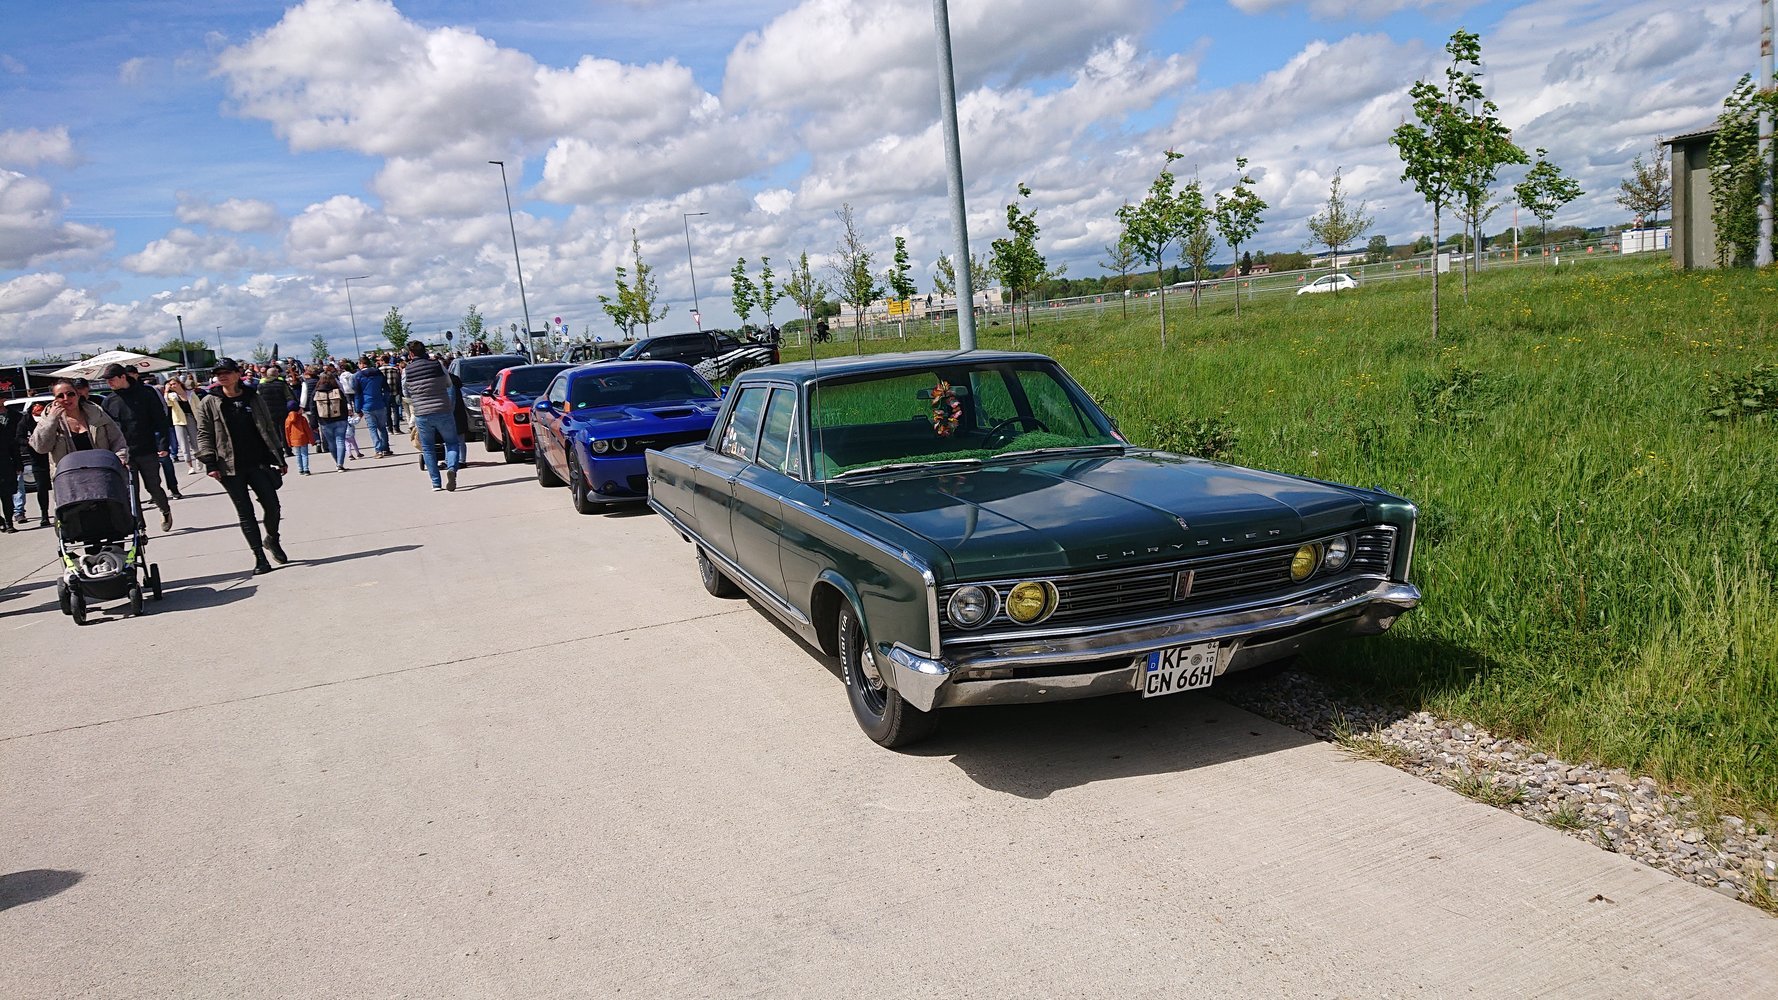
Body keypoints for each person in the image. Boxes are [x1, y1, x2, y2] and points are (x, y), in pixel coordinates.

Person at [193, 358, 288, 575]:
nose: (222, 376)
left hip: (258, 461)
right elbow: (204, 433)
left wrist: (279, 456)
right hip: (228, 466)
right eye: (219, 373)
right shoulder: (209, 402)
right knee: (245, 512)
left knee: (272, 506)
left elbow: (268, 427)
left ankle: (272, 539)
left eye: (226, 372)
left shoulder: (253, 397)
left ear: (238, 374)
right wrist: (210, 462)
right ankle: (259, 557)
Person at [100, 363, 175, 531]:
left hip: (147, 449)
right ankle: (140, 527)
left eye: (112, 379)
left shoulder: (146, 393)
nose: (109, 383)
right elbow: (106, 430)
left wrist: (163, 444)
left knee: (153, 486)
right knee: (132, 491)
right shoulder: (109, 401)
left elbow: (160, 420)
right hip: (124, 454)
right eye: (107, 380)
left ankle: (165, 510)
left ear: (123, 377)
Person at [30, 378, 130, 473]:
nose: (66, 398)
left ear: (78, 395)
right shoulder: (48, 419)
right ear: (55, 400)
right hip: (68, 477)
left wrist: (120, 458)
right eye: (60, 396)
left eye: (70, 394)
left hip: (102, 473)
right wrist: (51, 420)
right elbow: (41, 448)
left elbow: (117, 440)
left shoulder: (96, 413)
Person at [403, 340, 462, 492]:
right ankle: (452, 469)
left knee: (428, 448)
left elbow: (406, 392)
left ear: (411, 354)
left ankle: (436, 483)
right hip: (443, 409)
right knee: (452, 443)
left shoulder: (407, 370)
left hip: (422, 413)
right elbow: (449, 383)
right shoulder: (437, 365)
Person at [14, 401, 52, 527]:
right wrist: (30, 442)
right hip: (37, 458)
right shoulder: (26, 420)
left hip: (54, 456)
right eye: (36, 409)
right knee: (41, 487)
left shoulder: (51, 418)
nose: (38, 411)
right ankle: (44, 515)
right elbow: (19, 438)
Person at [308, 372, 352, 473]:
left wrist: (313, 424)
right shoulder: (337, 391)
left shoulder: (316, 392)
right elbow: (344, 404)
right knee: (340, 441)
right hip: (340, 419)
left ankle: (337, 463)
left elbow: (313, 408)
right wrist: (346, 418)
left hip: (324, 421)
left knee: (331, 443)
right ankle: (340, 464)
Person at [353, 356, 392, 457]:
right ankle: (386, 448)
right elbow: (387, 389)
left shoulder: (358, 376)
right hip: (380, 403)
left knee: (372, 428)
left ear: (361, 364)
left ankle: (378, 450)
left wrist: (357, 409)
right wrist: (385, 401)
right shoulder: (378, 373)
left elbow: (357, 394)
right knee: (382, 427)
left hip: (367, 405)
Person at [257, 366, 296, 456]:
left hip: (268, 412)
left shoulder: (261, 386)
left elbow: (258, 399)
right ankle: (288, 450)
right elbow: (289, 397)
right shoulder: (281, 384)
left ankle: (278, 451)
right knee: (284, 431)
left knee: (274, 431)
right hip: (282, 410)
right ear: (276, 374)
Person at [165, 376, 199, 475]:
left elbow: (199, 405)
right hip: (179, 420)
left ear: (179, 383)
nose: (172, 386)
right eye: (171, 385)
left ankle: (198, 458)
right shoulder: (172, 396)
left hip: (191, 418)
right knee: (183, 444)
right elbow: (167, 402)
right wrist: (166, 390)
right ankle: (190, 466)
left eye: (174, 384)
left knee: (195, 441)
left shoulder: (190, 393)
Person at [0, 402, 18, 533]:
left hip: (4, 467)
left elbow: (12, 447)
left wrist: (18, 463)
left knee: (7, 497)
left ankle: (9, 523)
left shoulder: (2, 430)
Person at [284, 400, 314, 475]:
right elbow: (308, 430)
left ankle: (300, 469)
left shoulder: (287, 420)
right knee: (304, 454)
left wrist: (289, 443)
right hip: (303, 438)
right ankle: (306, 469)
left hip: (294, 439)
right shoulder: (302, 418)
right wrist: (312, 440)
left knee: (298, 455)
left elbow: (287, 432)